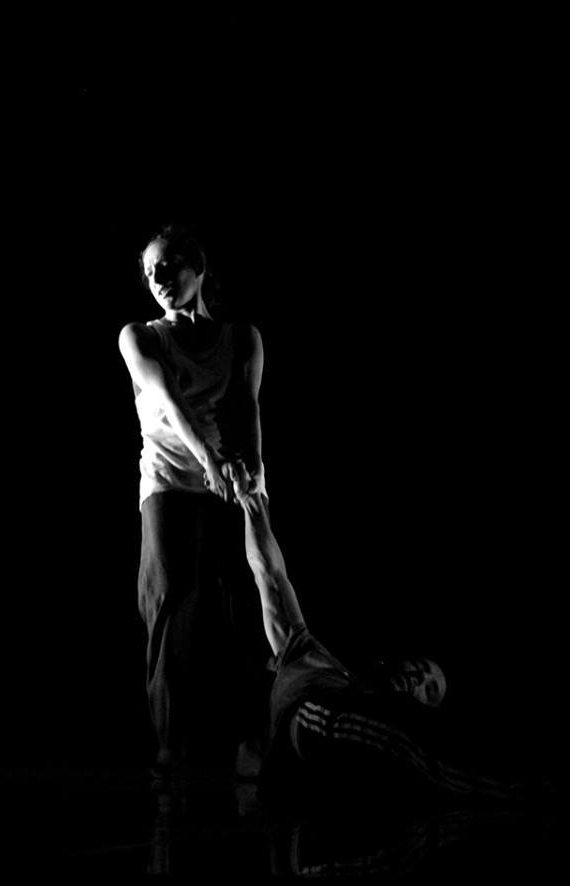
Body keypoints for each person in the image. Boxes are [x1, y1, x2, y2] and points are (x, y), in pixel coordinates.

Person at [224, 461, 544, 803]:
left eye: (430, 690)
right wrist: (251, 503)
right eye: (421, 668)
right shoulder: (317, 666)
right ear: (394, 662)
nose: (420, 679)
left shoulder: (406, 731)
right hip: (317, 723)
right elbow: (272, 577)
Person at [118, 223, 268, 775]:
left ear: (198, 268)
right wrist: (207, 460)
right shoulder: (140, 336)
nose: (158, 277)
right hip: (168, 482)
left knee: (244, 606)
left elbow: (247, 407)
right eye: (150, 270)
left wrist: (253, 472)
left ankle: (252, 739)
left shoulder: (242, 337)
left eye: (170, 265)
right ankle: (170, 744)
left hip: (228, 478)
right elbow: (168, 400)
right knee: (165, 604)